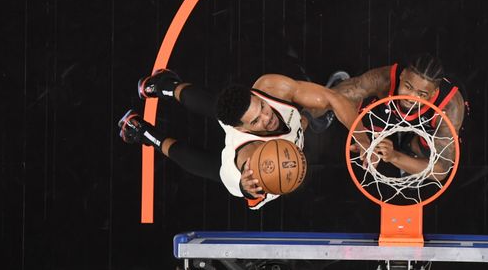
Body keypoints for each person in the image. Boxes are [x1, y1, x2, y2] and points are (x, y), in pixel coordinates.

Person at [117, 69, 354, 209]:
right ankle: (147, 132)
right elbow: (239, 175)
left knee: (218, 104)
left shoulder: (266, 94)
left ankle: (163, 87)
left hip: (281, 140)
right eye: (256, 121)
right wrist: (246, 188)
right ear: (240, 128)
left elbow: (327, 101)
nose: (266, 117)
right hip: (244, 175)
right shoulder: (246, 160)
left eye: (262, 107)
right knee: (210, 167)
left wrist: (364, 137)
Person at [310, 55, 466, 181]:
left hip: (427, 127)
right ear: (403, 75)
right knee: (349, 104)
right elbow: (332, 97)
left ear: (432, 93)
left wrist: (394, 157)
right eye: (408, 87)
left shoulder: (450, 108)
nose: (411, 97)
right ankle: (340, 89)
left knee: (424, 150)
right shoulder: (385, 78)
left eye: (421, 94)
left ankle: (409, 149)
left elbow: (441, 171)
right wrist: (300, 122)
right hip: (390, 111)